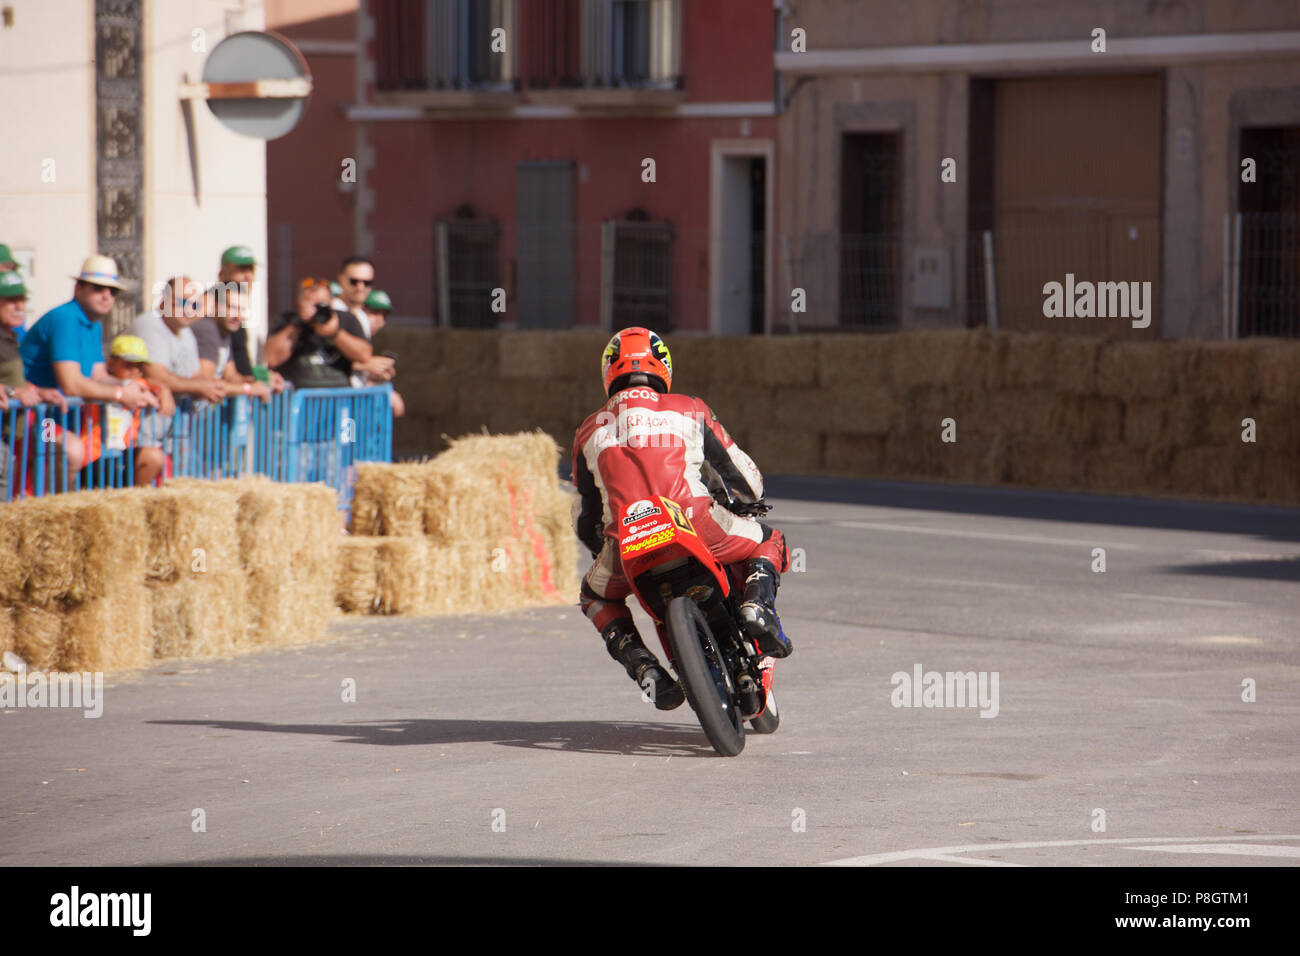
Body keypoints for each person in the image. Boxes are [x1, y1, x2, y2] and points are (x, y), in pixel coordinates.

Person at [571, 326, 793, 709]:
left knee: (593, 596)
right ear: (663, 365)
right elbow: (743, 475)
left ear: (608, 371)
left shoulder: (588, 431)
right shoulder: (690, 408)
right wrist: (751, 499)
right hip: (694, 523)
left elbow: (583, 514)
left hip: (626, 539)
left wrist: (602, 547)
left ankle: (644, 667)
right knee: (768, 540)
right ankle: (757, 605)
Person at [19, 256, 158, 472]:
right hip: (31, 418)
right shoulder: (65, 318)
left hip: (56, 417)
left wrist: (135, 387)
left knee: (83, 453)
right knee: (72, 451)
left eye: (113, 292)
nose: (106, 296)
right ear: (78, 288)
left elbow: (99, 375)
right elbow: (71, 384)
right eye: (98, 288)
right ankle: (54, 506)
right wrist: (122, 394)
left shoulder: (92, 324)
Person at [131, 275, 226, 406]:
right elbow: (157, 377)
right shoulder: (151, 324)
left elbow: (196, 376)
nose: (188, 309)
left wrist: (212, 386)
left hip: (172, 423)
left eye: (194, 305)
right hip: (140, 422)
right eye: (182, 302)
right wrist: (200, 387)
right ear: (164, 301)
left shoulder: (186, 332)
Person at [265, 277, 372, 389]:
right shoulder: (287, 320)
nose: (316, 310)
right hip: (298, 399)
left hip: (339, 398)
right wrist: (297, 324)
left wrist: (335, 333)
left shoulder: (345, 319)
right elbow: (272, 358)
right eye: (311, 304)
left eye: (321, 304)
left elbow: (364, 355)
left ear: (331, 302)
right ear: (299, 301)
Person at [105, 335, 174, 487]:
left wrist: (164, 390)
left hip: (126, 450)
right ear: (111, 363)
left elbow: (155, 385)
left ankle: (136, 497)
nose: (135, 371)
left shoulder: (141, 384)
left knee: (153, 456)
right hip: (96, 452)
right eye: (128, 365)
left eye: (140, 366)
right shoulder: (98, 383)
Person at [192, 286, 278, 401]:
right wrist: (249, 388)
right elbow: (207, 385)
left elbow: (231, 375)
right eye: (232, 308)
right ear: (215, 307)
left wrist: (262, 383)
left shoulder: (224, 333)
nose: (238, 316)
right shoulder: (207, 329)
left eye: (242, 310)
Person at [358, 288, 404, 417]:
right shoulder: (343, 335)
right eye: (374, 312)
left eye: (384, 315)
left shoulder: (367, 340)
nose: (380, 320)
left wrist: (375, 379)